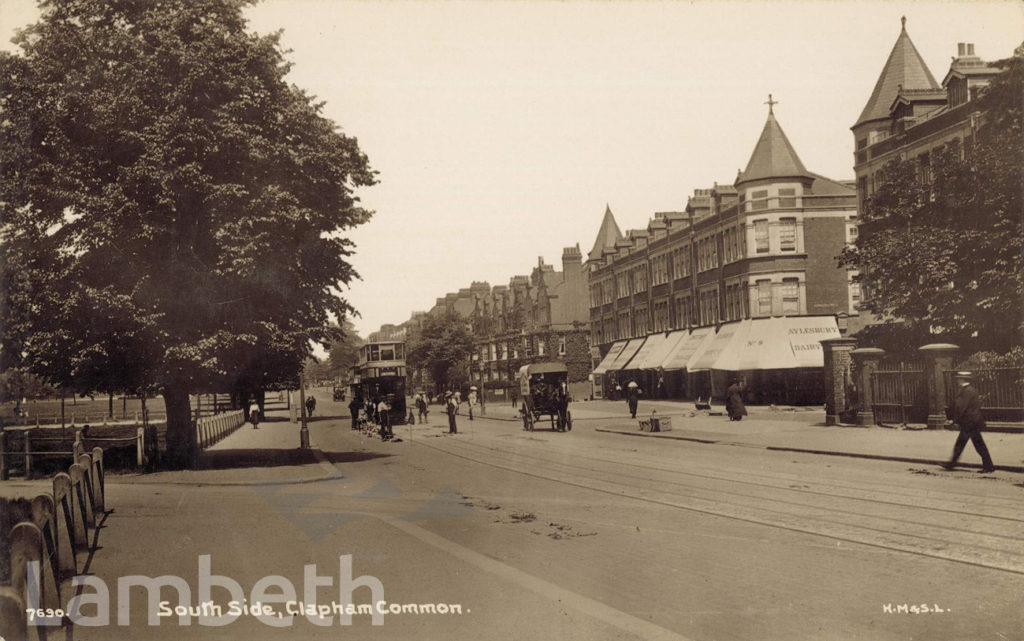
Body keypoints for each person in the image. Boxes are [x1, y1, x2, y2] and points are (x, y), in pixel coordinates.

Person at [943, 372, 995, 473]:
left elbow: (961, 407)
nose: (957, 380)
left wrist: (953, 420)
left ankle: (988, 466)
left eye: (959, 378)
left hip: (969, 422)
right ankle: (988, 466)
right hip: (973, 421)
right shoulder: (970, 390)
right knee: (969, 444)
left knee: (972, 444)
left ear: (962, 380)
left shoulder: (966, 391)